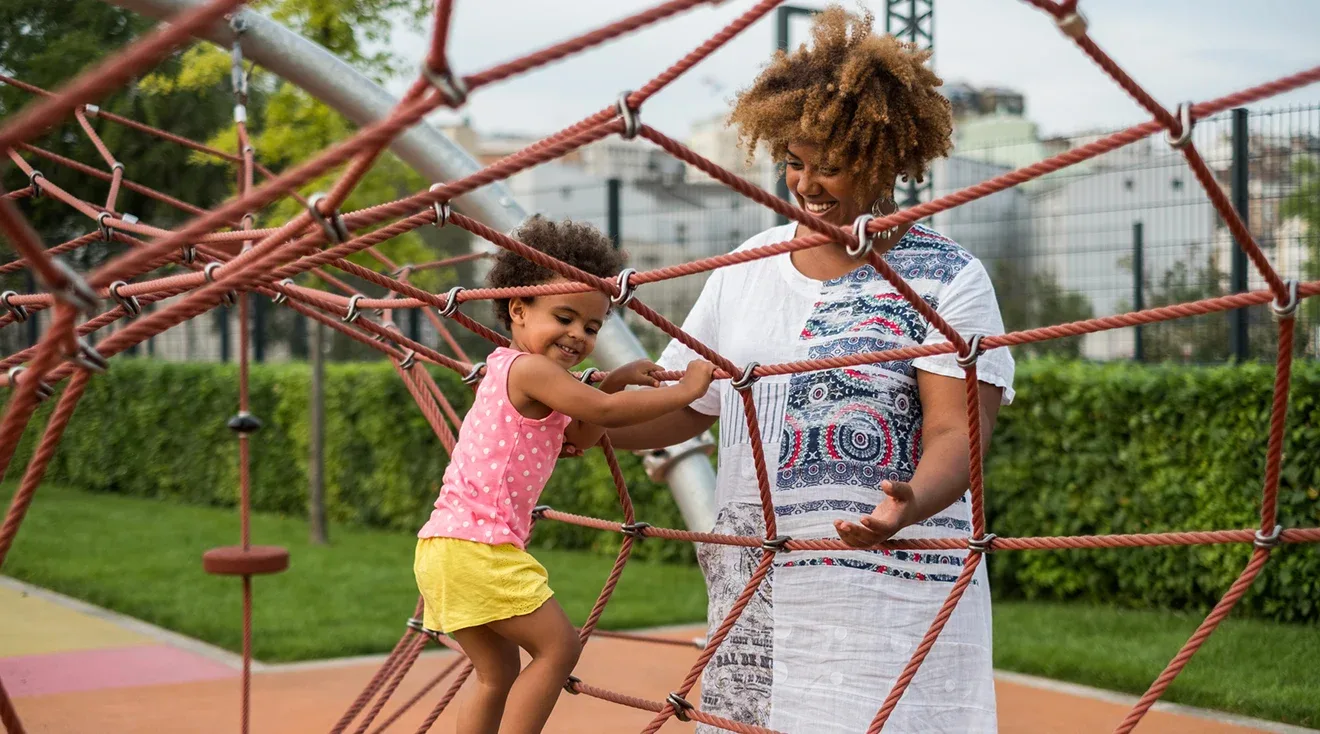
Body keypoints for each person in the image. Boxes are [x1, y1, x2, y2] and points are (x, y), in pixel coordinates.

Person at [603, 7, 1015, 733]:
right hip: (758, 597)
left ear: (885, 160)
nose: (807, 184)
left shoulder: (949, 278)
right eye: (795, 161)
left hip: (887, 613)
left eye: (831, 165)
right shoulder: (743, 270)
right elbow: (685, 406)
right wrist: (591, 424)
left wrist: (907, 503)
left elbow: (960, 433)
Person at [414, 216, 715, 734]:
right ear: (518, 308)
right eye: (565, 317)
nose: (578, 334)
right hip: (479, 549)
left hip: (445, 547)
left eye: (592, 326)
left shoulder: (508, 369)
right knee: (559, 647)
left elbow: (582, 433)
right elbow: (608, 415)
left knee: (498, 671)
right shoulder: (531, 370)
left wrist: (617, 379)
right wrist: (686, 390)